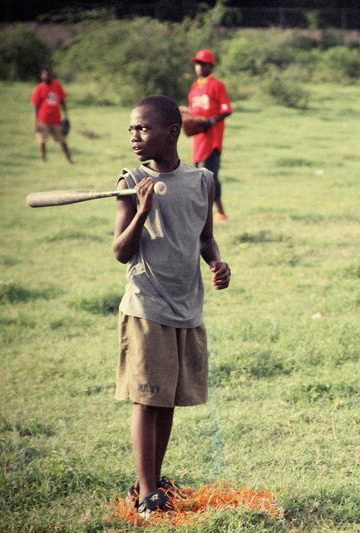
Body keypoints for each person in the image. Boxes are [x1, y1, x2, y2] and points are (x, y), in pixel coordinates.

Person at [113, 95, 231, 519]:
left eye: (143, 128)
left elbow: (204, 238)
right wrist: (141, 211)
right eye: (131, 129)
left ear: (171, 132)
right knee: (146, 400)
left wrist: (217, 261)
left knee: (166, 400)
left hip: (186, 307)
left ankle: (153, 481)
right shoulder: (130, 180)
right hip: (147, 303)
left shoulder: (202, 181)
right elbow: (120, 252)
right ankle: (147, 496)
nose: (135, 137)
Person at [188, 48, 233, 222]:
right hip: (198, 139)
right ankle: (206, 213)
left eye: (203, 64)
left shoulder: (216, 85)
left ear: (211, 66)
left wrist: (211, 122)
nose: (199, 67)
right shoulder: (194, 87)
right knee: (198, 175)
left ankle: (219, 213)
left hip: (212, 139)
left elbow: (227, 109)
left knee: (209, 176)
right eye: (197, 63)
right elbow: (193, 112)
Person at [30, 67, 73, 163]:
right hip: (43, 119)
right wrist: (36, 122)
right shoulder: (39, 88)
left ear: (51, 75)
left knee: (62, 140)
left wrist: (66, 116)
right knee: (42, 140)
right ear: (41, 76)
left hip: (56, 119)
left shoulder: (57, 85)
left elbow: (62, 100)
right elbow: (36, 106)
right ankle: (43, 159)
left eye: (48, 74)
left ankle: (69, 159)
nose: (46, 76)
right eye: (44, 74)